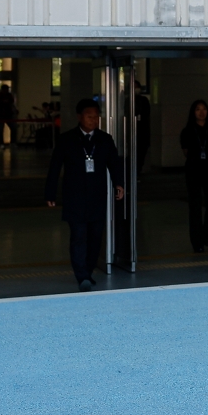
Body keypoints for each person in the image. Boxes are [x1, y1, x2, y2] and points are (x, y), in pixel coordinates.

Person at [45, 98, 125, 291]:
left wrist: (119, 184)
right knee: (79, 236)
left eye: (96, 117)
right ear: (79, 117)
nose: (93, 120)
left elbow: (114, 164)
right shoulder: (67, 139)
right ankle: (82, 275)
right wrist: (50, 193)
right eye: (89, 116)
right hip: (75, 196)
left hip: (97, 195)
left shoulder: (105, 139)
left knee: (95, 237)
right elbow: (55, 167)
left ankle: (87, 271)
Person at [180, 100, 208, 252]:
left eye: (204, 109)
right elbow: (186, 152)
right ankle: (197, 242)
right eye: (198, 109)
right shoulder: (187, 131)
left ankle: (207, 231)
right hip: (194, 171)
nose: (201, 112)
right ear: (193, 112)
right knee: (195, 207)